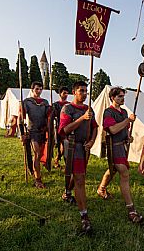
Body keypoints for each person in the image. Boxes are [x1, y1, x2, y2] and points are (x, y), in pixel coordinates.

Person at [96, 87, 144, 224]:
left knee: (112, 170)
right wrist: (128, 121)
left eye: (123, 96)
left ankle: (101, 189)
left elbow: (123, 129)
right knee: (124, 174)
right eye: (120, 97)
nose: (122, 99)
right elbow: (112, 129)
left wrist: (128, 137)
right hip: (114, 148)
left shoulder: (123, 112)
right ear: (113, 98)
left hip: (122, 147)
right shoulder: (108, 112)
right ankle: (131, 209)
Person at [58, 81, 97, 233]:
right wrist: (82, 118)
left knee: (78, 175)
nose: (84, 93)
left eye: (86, 91)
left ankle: (67, 193)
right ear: (74, 92)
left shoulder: (89, 109)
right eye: (81, 91)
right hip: (73, 146)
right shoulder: (67, 108)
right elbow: (65, 130)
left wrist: (92, 141)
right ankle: (84, 216)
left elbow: (95, 127)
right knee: (80, 179)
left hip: (84, 147)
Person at [21, 81, 51, 189]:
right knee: (37, 154)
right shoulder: (27, 102)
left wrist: (51, 111)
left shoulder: (45, 102)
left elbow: (49, 116)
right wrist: (22, 133)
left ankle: (35, 170)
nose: (39, 91)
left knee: (42, 154)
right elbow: (21, 117)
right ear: (32, 89)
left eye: (40, 89)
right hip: (32, 132)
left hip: (43, 131)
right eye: (37, 89)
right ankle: (38, 179)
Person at [52, 86, 70, 169]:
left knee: (66, 146)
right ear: (60, 94)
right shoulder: (56, 105)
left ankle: (66, 164)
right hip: (59, 128)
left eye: (67, 93)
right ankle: (57, 160)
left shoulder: (69, 105)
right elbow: (52, 116)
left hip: (68, 128)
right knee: (60, 147)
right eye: (64, 93)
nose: (66, 95)